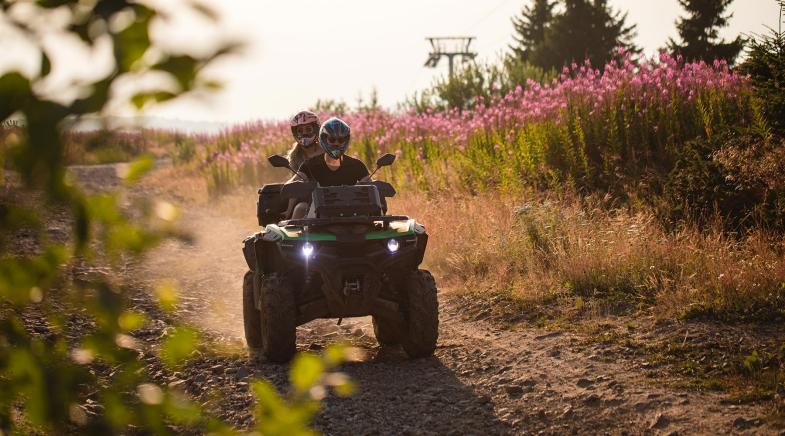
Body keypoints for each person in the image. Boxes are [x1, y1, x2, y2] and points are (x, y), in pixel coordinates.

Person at [291, 117, 370, 218]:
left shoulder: (357, 165)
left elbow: (370, 183)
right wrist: (293, 185)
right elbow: (294, 181)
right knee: (300, 208)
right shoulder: (309, 165)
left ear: (346, 141)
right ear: (323, 139)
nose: (336, 143)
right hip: (316, 215)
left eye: (340, 140)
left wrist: (373, 184)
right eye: (332, 140)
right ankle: (296, 232)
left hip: (352, 213)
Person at [284, 110, 323, 219]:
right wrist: (289, 209)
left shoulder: (326, 151)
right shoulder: (295, 157)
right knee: (300, 208)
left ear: (316, 129)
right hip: (307, 198)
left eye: (308, 129)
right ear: (295, 133)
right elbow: (295, 185)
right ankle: (295, 234)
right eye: (300, 130)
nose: (304, 133)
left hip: (331, 195)